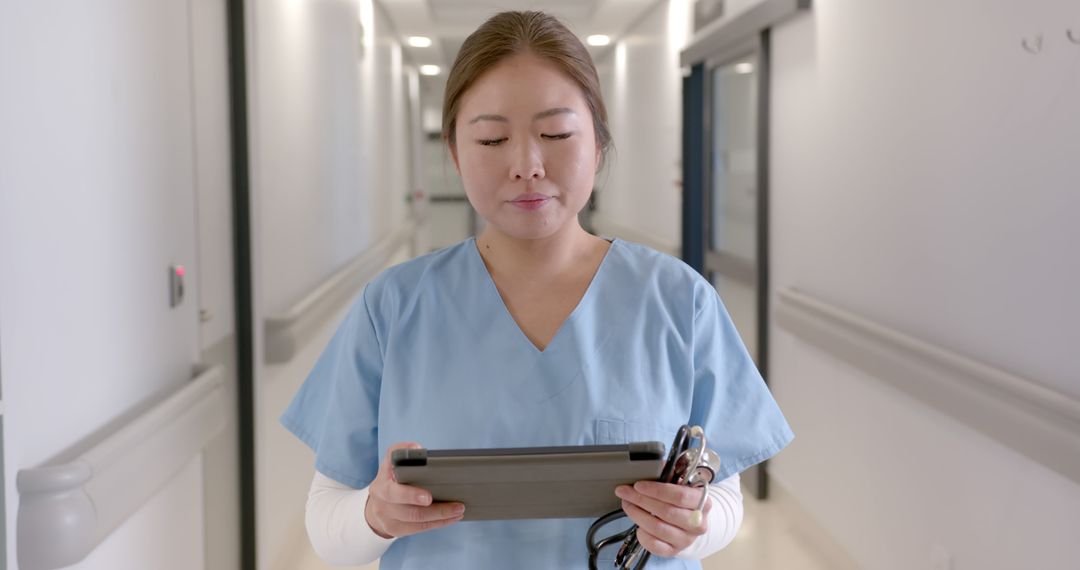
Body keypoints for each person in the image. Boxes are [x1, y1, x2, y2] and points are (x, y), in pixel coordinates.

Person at [280, 10, 793, 570]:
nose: (526, 165)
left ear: (597, 143)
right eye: (493, 138)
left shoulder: (677, 300)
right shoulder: (393, 307)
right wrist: (374, 516)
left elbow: (724, 499)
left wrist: (692, 524)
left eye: (555, 134)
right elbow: (326, 523)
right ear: (455, 152)